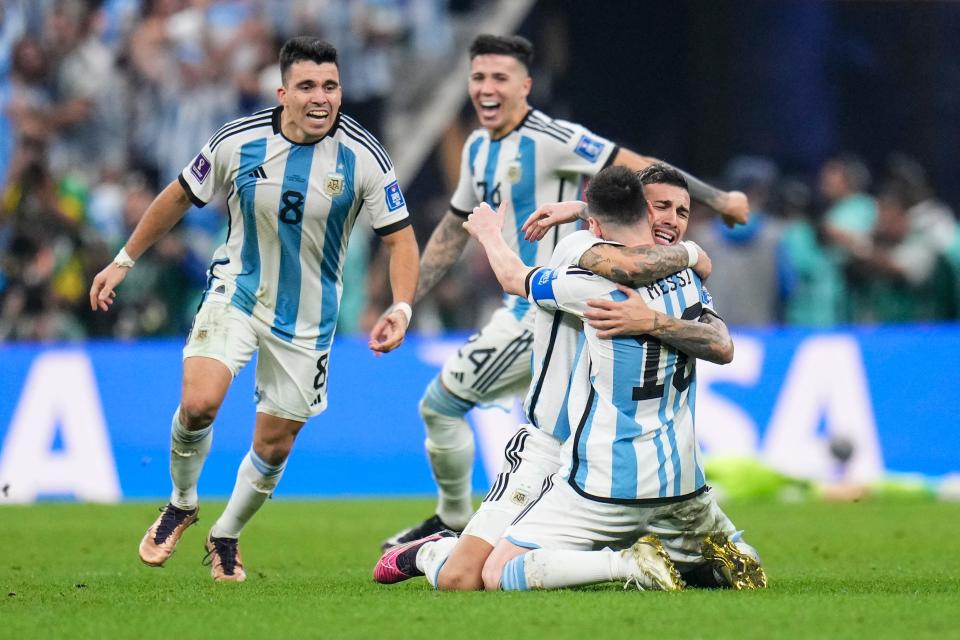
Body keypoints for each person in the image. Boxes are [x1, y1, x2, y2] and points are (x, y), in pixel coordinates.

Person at [384, 33, 750, 549]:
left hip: (556, 302)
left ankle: (472, 523)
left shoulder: (555, 136)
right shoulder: (474, 148)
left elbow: (642, 170)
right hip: (539, 298)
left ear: (525, 86)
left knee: (476, 411)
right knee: (535, 418)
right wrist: (404, 302)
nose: (486, 88)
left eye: (499, 78)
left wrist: (721, 199)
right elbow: (452, 226)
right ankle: (553, 525)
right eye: (478, 78)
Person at [88, 37, 419, 582]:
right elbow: (177, 195)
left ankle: (227, 534)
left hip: (309, 319)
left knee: (274, 441)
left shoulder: (363, 155)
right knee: (198, 403)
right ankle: (182, 502)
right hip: (238, 292)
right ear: (282, 92)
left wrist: (402, 307)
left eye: (331, 86)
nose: (321, 98)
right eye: (308, 86)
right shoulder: (236, 141)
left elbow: (401, 240)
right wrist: (124, 259)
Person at [375, 166, 760, 591]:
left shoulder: (675, 271)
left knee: (502, 572)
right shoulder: (588, 250)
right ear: (636, 209)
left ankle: (632, 557)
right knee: (462, 578)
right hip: (550, 447)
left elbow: (713, 336)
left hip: (599, 459)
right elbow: (621, 263)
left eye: (682, 212)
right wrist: (689, 251)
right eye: (661, 207)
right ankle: (433, 549)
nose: (671, 219)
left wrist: (663, 290)